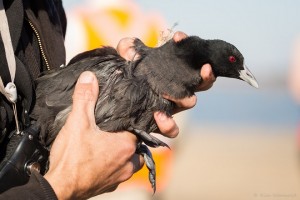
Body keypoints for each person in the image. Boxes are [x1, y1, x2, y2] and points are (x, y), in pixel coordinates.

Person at [0, 0, 215, 199]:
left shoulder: (73, 19)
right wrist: (63, 183)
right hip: (124, 178)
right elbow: (180, 130)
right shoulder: (154, 24)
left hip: (101, 179)